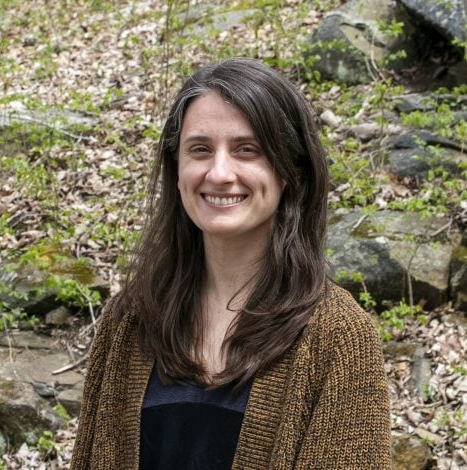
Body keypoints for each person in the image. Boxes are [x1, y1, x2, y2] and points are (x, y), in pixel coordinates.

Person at [71, 57, 391, 469]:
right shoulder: (129, 320)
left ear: (290, 170)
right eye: (200, 150)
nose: (219, 173)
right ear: (177, 168)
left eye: (247, 150)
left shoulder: (339, 338)